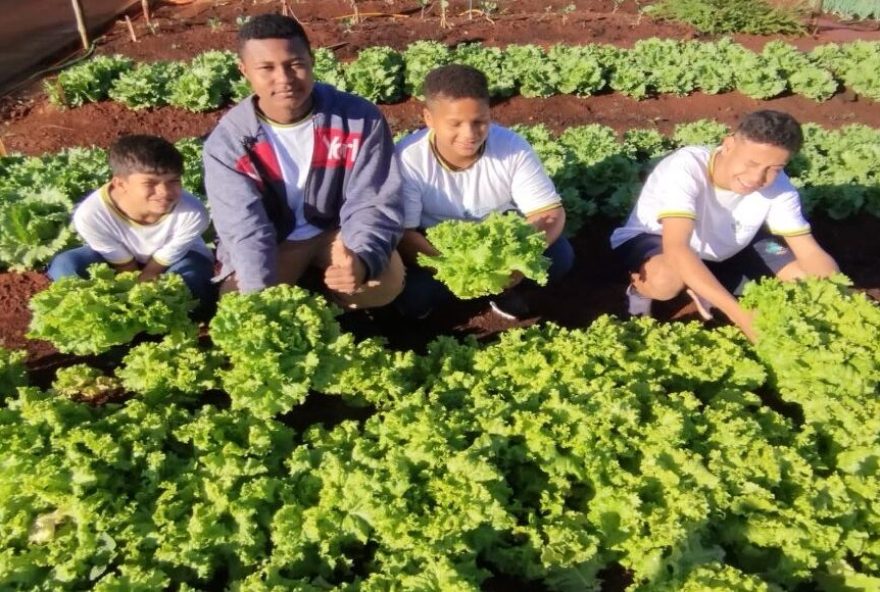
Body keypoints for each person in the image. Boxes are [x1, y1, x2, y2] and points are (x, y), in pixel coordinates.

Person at [203, 13, 404, 309]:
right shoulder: (229, 143)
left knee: (382, 284)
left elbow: (373, 200)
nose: (284, 79)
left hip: (336, 234)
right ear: (244, 70)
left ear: (311, 61)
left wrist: (361, 261)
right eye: (266, 68)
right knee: (241, 305)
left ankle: (330, 300)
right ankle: (300, 297)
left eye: (294, 64)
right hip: (274, 244)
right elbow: (244, 229)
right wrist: (262, 299)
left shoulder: (358, 118)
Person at [610, 110, 839, 342]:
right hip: (657, 240)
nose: (756, 178)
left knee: (805, 279)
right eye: (752, 163)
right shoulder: (686, 167)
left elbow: (809, 250)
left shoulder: (780, 187)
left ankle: (705, 285)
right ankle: (639, 294)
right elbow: (677, 248)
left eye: (774, 168)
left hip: (732, 245)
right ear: (728, 144)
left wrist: (838, 296)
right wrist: (741, 316)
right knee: (665, 281)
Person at [394, 64, 574, 320]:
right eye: (455, 124)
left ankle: (502, 291)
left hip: (500, 246)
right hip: (439, 251)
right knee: (413, 295)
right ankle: (452, 304)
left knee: (559, 256)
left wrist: (515, 264)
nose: (469, 134)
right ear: (429, 119)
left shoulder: (512, 147)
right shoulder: (409, 159)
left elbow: (549, 213)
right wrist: (460, 269)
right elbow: (405, 235)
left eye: (480, 121)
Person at [47, 134, 215, 305]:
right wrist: (130, 287)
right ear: (120, 184)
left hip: (176, 259)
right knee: (64, 265)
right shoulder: (90, 214)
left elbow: (168, 256)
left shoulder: (194, 213)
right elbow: (120, 261)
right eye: (150, 183)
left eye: (173, 181)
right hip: (115, 260)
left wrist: (146, 279)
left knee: (192, 281)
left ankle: (172, 321)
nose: (164, 192)